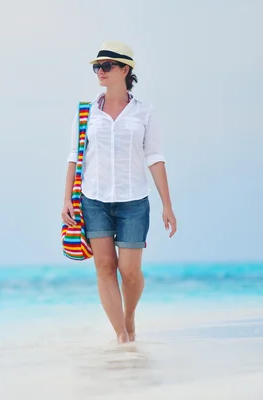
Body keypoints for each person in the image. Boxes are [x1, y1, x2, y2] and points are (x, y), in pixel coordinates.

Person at [61, 41, 177, 344]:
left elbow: (154, 157)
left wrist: (168, 204)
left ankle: (129, 318)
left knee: (130, 271)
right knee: (104, 266)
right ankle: (122, 337)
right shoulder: (86, 113)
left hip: (134, 201)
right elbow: (74, 156)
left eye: (107, 66)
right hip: (94, 199)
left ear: (126, 69)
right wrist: (65, 201)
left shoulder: (144, 113)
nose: (100, 71)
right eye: (97, 66)